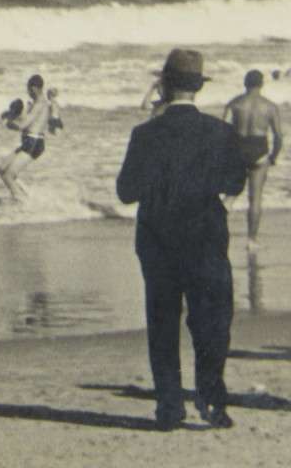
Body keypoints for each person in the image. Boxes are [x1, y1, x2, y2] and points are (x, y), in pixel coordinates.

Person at [116, 49, 246, 431]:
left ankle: (170, 406)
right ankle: (211, 397)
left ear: (164, 85)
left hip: (157, 236)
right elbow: (235, 182)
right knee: (213, 320)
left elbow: (126, 191)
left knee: (163, 321)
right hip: (205, 234)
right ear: (198, 87)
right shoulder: (220, 132)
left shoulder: (144, 134)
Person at [223, 69, 283, 249]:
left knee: (230, 196)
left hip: (238, 151)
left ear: (245, 83)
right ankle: (252, 241)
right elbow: (278, 136)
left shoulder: (234, 103)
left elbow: (222, 132)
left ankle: (213, 234)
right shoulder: (270, 106)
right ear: (261, 84)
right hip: (259, 151)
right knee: (255, 198)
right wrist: (273, 157)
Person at [0, 74, 50, 202]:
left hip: (34, 142)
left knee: (8, 176)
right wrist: (11, 116)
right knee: (2, 169)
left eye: (28, 89)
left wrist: (9, 123)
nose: (28, 92)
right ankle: (26, 195)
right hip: (30, 141)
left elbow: (23, 125)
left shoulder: (39, 104)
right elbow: (28, 122)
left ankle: (22, 202)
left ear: (34, 88)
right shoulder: (36, 104)